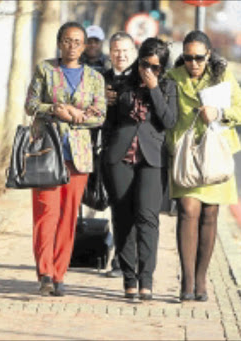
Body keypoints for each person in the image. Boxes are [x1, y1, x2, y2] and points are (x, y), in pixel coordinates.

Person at [165, 30, 241, 302]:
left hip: (215, 154)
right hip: (186, 156)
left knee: (210, 214)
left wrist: (220, 113)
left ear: (209, 55)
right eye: (188, 57)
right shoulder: (173, 79)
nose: (193, 63)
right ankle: (187, 279)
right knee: (188, 210)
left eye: (199, 58)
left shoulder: (222, 77)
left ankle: (202, 278)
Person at [24, 22, 106, 297]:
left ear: (85, 46)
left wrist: (80, 116)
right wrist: (58, 110)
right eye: (67, 40)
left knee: (68, 217)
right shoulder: (45, 70)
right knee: (46, 213)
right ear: (59, 43)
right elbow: (31, 105)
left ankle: (59, 274)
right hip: (47, 151)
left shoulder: (95, 78)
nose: (72, 46)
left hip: (78, 156)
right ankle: (44, 273)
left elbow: (100, 115)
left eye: (78, 41)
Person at [103, 37, 177, 300]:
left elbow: (169, 120)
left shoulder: (168, 86)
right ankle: (128, 279)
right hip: (119, 158)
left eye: (156, 67)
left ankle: (146, 279)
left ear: (162, 67)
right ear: (139, 60)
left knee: (147, 218)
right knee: (123, 219)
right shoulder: (120, 84)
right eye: (145, 64)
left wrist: (154, 88)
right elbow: (109, 123)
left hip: (152, 160)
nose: (149, 70)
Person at [102, 32, 138, 278]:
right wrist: (101, 100)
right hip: (112, 153)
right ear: (110, 52)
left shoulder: (142, 79)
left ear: (133, 53)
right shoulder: (99, 80)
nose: (120, 55)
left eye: (125, 50)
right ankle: (121, 262)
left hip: (140, 154)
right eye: (116, 50)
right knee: (119, 208)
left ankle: (134, 261)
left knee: (141, 210)